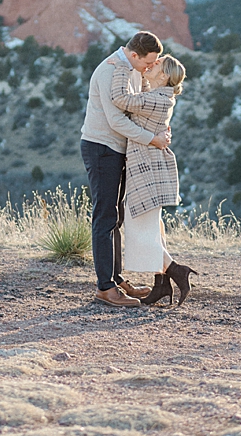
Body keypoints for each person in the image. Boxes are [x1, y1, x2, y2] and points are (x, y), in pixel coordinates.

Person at [80, 31, 170, 308]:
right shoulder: (111, 71)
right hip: (102, 148)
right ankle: (105, 288)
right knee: (105, 217)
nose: (150, 67)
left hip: (116, 149)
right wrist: (152, 139)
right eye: (148, 62)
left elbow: (137, 108)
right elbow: (117, 121)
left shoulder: (130, 69)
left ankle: (116, 279)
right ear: (134, 55)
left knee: (115, 217)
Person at [109, 54, 198, 305]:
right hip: (147, 168)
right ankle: (161, 286)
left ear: (164, 76)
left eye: (156, 64)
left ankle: (177, 271)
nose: (151, 64)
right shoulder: (160, 96)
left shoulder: (157, 100)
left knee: (140, 232)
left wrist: (121, 68)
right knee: (149, 229)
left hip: (146, 170)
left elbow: (120, 99)